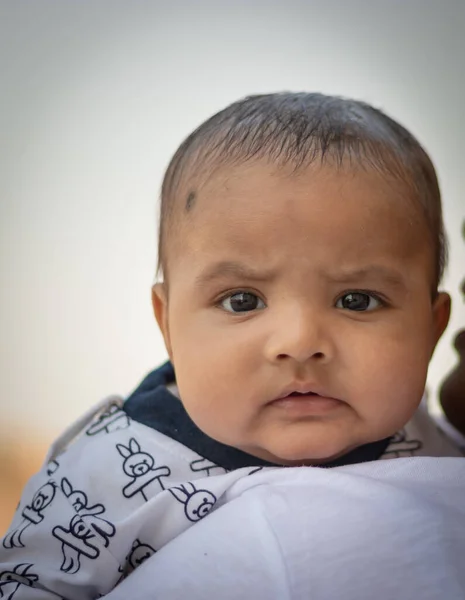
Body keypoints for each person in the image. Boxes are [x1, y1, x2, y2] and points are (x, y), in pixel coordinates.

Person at [1, 92, 464, 599]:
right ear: (168, 325)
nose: (299, 342)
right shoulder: (109, 468)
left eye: (357, 300)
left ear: (431, 327)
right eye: (242, 300)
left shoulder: (438, 448)